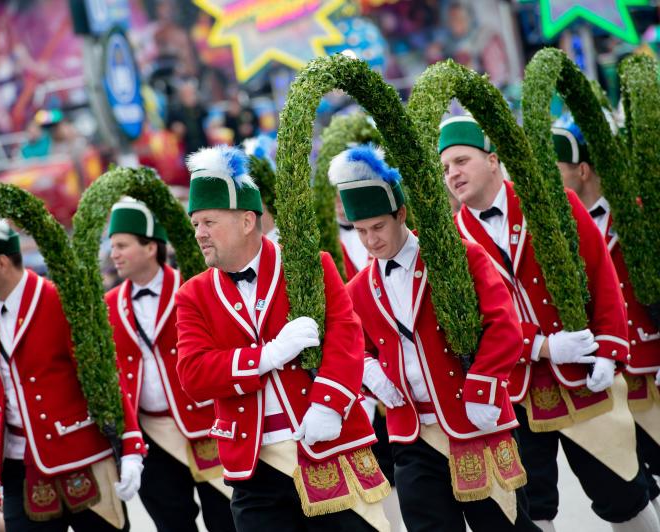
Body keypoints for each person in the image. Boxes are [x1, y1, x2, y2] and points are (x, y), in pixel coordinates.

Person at [439, 116, 658, 531]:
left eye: (461, 161)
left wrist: (610, 351)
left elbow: (601, 274)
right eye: (446, 168)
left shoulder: (551, 201)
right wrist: (540, 346)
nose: (453, 174)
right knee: (532, 511)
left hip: (579, 375)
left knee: (624, 492)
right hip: (515, 392)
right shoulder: (451, 241)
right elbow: (472, 325)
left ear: (493, 159)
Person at [175, 145, 390, 532]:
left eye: (208, 221)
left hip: (326, 443)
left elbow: (346, 337)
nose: (199, 234)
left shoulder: (309, 265)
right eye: (195, 225)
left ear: (245, 221)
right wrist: (266, 356)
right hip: (253, 465)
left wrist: (330, 403)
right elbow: (193, 375)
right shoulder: (193, 294)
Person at [332, 144, 536, 531]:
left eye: (378, 227)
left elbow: (504, 326)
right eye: (361, 232)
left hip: (475, 419)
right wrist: (368, 369)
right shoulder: (357, 288)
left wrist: (484, 384)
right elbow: (356, 347)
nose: (371, 242)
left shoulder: (459, 257)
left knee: (506, 525)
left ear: (402, 215)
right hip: (411, 437)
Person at [0, 212, 144, 531]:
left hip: (83, 460)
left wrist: (131, 448)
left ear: (1, 262)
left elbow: (104, 374)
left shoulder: (60, 300)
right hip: (20, 470)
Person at [104, 197, 235, 532]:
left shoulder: (193, 287)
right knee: (170, 522)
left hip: (204, 422)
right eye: (112, 246)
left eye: (122, 245)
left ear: (150, 247)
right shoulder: (108, 303)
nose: (113, 254)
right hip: (150, 433)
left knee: (225, 516)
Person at [553, 125, 660, 514]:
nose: (549, 177)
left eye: (557, 167)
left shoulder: (636, 213)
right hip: (609, 376)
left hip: (650, 362)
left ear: (582, 170)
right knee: (632, 484)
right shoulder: (558, 227)